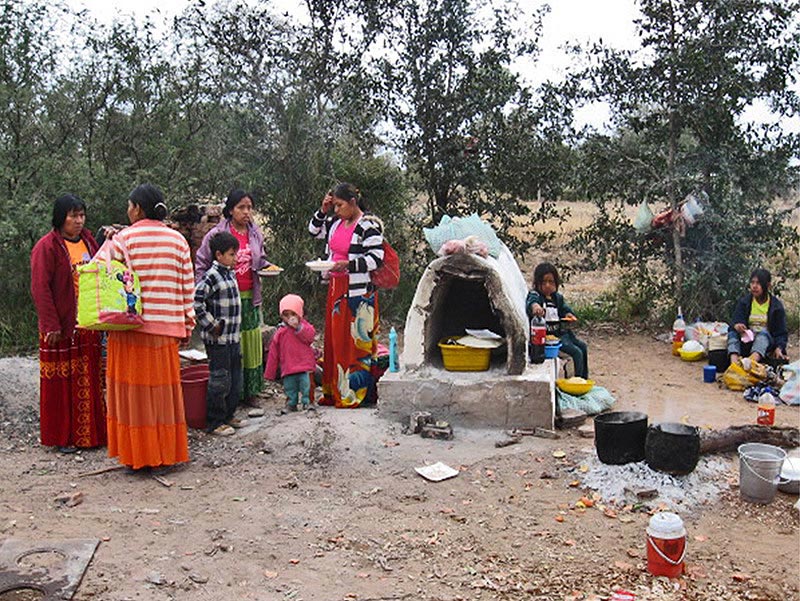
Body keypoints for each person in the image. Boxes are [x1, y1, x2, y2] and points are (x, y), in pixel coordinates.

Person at [102, 184, 196, 471]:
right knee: (163, 398)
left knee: (134, 398)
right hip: (165, 331)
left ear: (138, 209)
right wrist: (187, 325)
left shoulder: (123, 240)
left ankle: (137, 456)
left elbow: (105, 278)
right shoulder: (178, 241)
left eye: (129, 205)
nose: (127, 210)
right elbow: (187, 287)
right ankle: (165, 455)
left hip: (129, 331)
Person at [30, 194, 107, 453]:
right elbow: (40, 288)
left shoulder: (88, 241)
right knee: (61, 384)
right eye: (73, 216)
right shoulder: (47, 247)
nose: (78, 220)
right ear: (60, 217)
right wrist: (50, 324)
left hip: (86, 324)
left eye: (81, 215)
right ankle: (62, 437)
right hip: (60, 327)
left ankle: (90, 435)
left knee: (88, 379)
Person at [308, 183, 384, 408]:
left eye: (339, 205)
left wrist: (348, 265)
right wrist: (322, 210)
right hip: (336, 288)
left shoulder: (368, 226)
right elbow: (313, 230)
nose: (337, 210)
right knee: (336, 340)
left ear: (352, 202)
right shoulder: (335, 223)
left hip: (360, 293)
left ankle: (354, 393)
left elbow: (376, 258)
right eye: (334, 206)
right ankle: (335, 390)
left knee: (356, 343)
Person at [196, 190, 269, 408]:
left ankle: (251, 391)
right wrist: (206, 291)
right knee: (230, 349)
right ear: (230, 210)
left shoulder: (254, 233)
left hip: (249, 296)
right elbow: (201, 264)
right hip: (223, 301)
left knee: (250, 343)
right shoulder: (217, 235)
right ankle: (232, 396)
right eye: (241, 207)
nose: (246, 212)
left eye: (249, 208)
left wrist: (266, 267)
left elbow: (261, 259)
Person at [194, 231, 243, 436]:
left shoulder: (230, 274)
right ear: (218, 255)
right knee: (219, 379)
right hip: (218, 339)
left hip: (233, 337)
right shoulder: (211, 276)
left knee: (234, 378)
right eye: (231, 254)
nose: (235, 258)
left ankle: (229, 414)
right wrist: (211, 325)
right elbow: (197, 303)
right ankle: (215, 421)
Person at [525, 262, 589, 379]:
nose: (547, 285)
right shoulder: (536, 295)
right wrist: (536, 307)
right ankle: (574, 380)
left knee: (583, 347)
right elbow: (532, 302)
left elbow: (565, 309)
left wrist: (569, 315)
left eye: (551, 282)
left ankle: (583, 379)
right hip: (548, 340)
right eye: (544, 282)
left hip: (561, 334)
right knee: (575, 353)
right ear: (537, 283)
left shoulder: (557, 298)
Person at [264, 294, 317, 412]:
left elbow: (310, 336)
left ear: (300, 313)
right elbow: (273, 353)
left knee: (307, 386)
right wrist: (270, 372)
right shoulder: (280, 332)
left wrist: (298, 327)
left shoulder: (305, 327)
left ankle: (308, 402)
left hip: (305, 365)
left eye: (293, 314)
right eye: (286, 315)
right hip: (288, 366)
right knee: (290, 387)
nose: (290, 318)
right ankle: (291, 403)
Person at [728, 268, 788, 366]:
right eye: (752, 282)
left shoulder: (776, 306)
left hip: (765, 344)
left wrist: (779, 348)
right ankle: (734, 364)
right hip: (747, 342)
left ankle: (750, 363)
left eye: (758, 283)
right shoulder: (744, 302)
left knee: (763, 334)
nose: (754, 286)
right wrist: (737, 326)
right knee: (732, 333)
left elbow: (781, 333)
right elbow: (734, 322)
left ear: (768, 286)